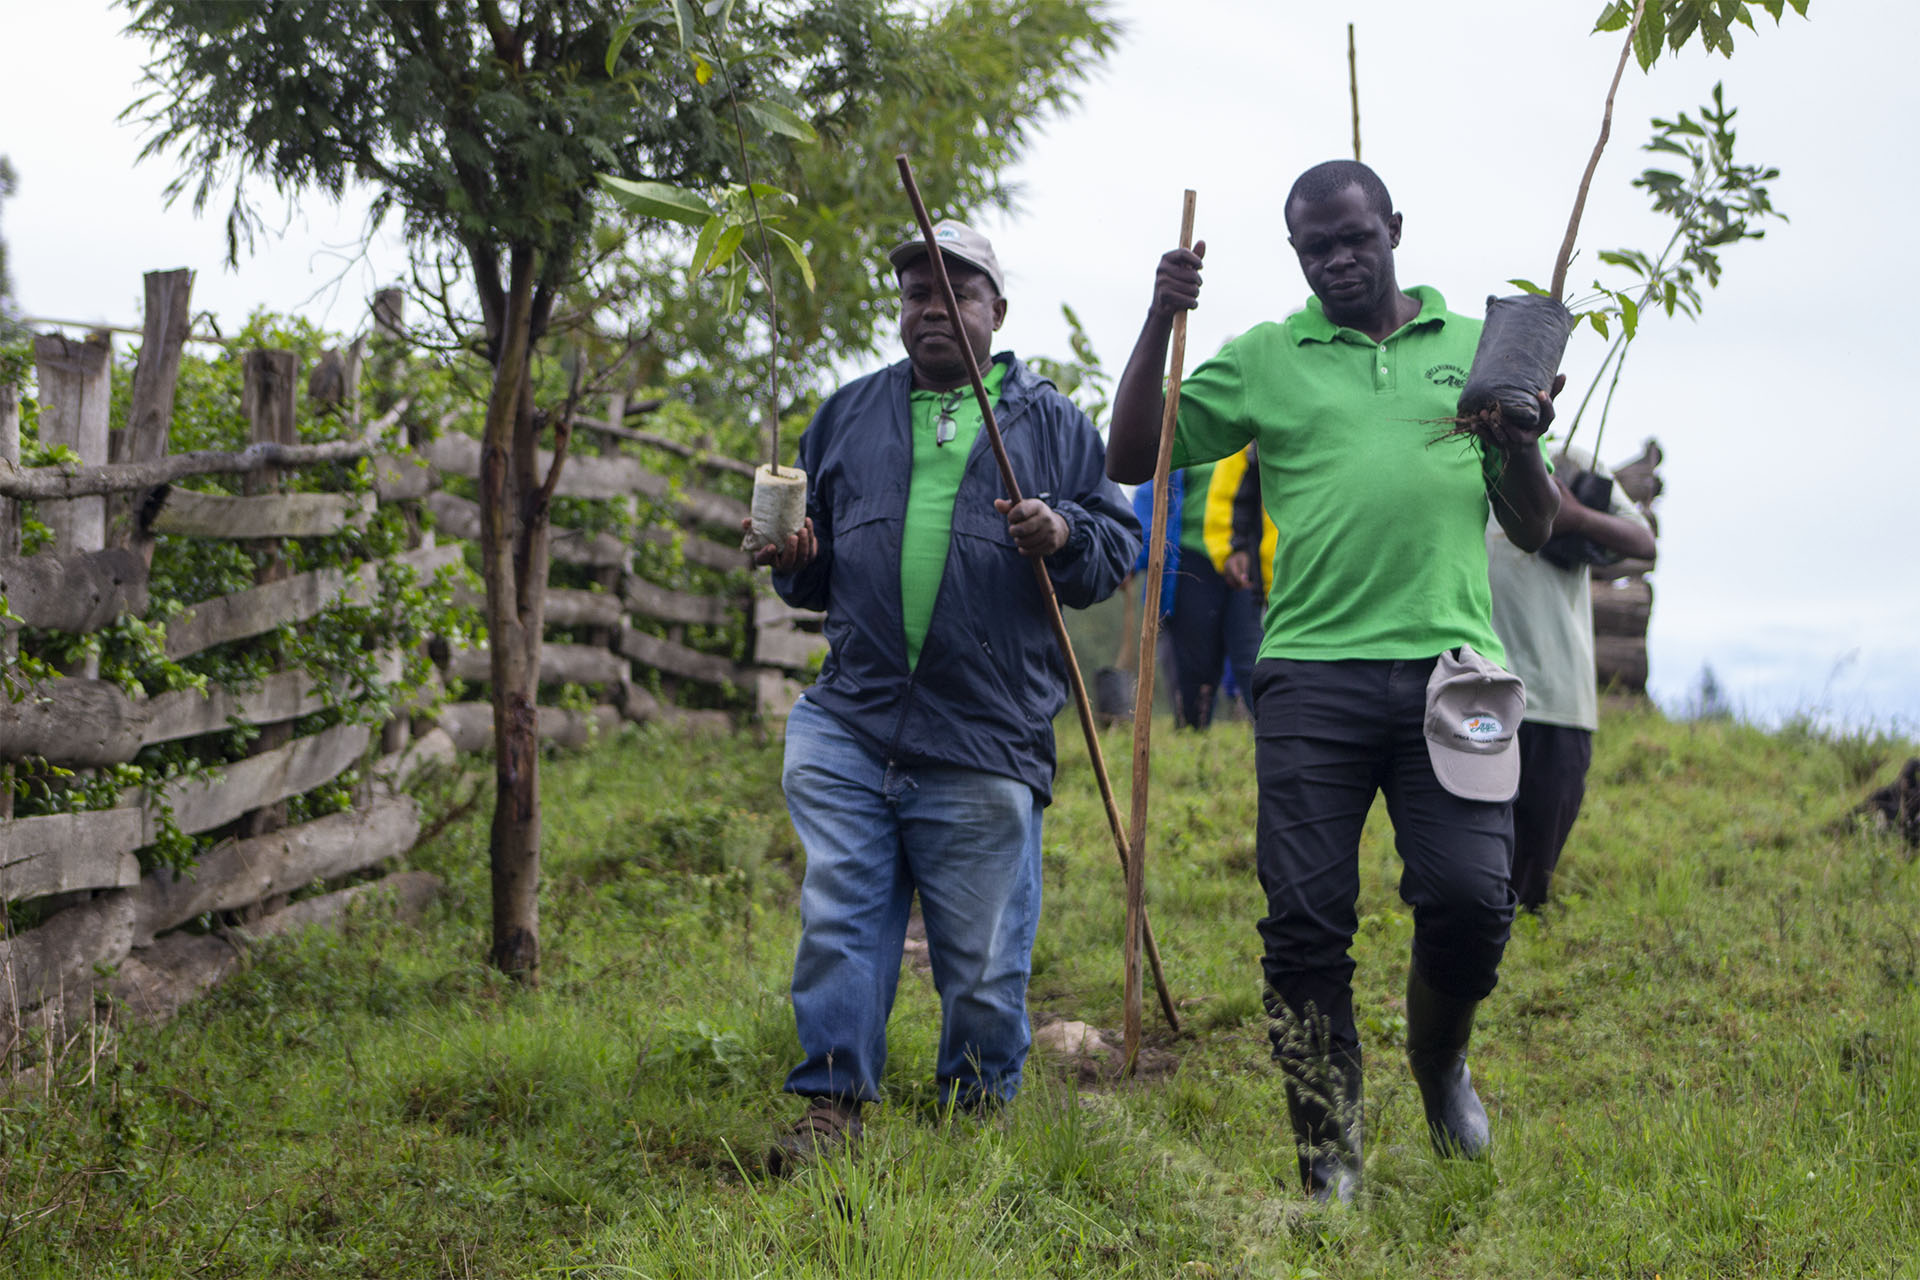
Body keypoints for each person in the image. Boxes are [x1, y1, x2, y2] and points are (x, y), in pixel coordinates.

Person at [1106, 160, 1561, 1203]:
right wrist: (1155, 316)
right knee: (1305, 918)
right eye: (1316, 246)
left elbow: (1533, 527)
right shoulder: (1271, 356)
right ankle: (1330, 1153)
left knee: (1472, 898)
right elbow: (1133, 451)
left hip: (1457, 675)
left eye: (1356, 237)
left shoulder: (1478, 348)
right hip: (1312, 676)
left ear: (1394, 226)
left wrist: (1517, 440)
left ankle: (1439, 1062)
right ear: (1297, 254)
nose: (1339, 258)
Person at [749, 220, 1140, 1172]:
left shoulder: (1049, 423)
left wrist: (1061, 531)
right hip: (852, 718)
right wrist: (797, 561)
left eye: (957, 292)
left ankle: (975, 1110)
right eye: (918, 292)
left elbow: (1116, 548)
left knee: (981, 956)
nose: (934, 307)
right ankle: (830, 1105)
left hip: (986, 729)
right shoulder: (847, 415)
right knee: (842, 918)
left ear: (996, 312)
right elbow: (815, 571)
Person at [1487, 447, 1657, 911]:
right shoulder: (1463, 451)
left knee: (1532, 870)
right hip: (1475, 693)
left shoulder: (1571, 458)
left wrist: (1577, 516)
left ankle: (1521, 939)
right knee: (1472, 859)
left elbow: (1643, 543)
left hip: (1559, 698)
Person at [1128, 461, 1261, 728]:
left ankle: (1268, 732)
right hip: (1189, 558)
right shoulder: (1182, 428)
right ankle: (1192, 733)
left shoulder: (1250, 435)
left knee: (1251, 654)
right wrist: (1131, 555)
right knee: (1193, 664)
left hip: (1244, 555)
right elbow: (1152, 496)